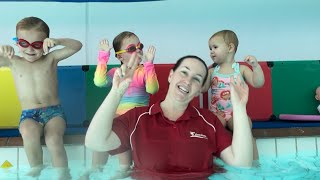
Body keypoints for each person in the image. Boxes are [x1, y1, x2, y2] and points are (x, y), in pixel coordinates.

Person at [85, 53, 253, 180]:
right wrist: (117, 92)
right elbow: (95, 142)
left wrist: (239, 108)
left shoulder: (209, 121)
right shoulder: (138, 117)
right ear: (171, 75)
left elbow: (242, 162)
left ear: (199, 89)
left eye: (196, 79)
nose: (188, 81)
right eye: (184, 73)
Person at [0, 16, 82, 178]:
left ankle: (63, 174)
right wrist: (2, 50)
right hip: (29, 114)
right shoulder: (12, 61)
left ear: (45, 44)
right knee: (27, 133)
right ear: (17, 43)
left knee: (53, 139)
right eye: (24, 44)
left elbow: (77, 46)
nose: (30, 49)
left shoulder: (51, 58)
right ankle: (37, 168)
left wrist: (57, 41)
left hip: (54, 113)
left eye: (37, 45)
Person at [89, 31, 159, 178]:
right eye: (132, 48)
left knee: (116, 126)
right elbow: (99, 82)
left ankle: (124, 167)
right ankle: (96, 168)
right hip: (121, 118)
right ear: (120, 56)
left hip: (139, 118)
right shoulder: (116, 72)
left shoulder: (143, 71)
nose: (139, 50)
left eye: (140, 46)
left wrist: (149, 64)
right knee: (103, 128)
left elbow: (152, 89)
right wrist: (103, 57)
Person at [202, 30, 265, 160]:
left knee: (245, 130)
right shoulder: (212, 71)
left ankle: (254, 163)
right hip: (216, 113)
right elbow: (203, 89)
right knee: (211, 128)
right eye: (210, 48)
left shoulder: (241, 69)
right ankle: (211, 162)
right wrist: (199, 75)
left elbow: (258, 83)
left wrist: (256, 66)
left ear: (230, 48)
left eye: (215, 47)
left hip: (236, 113)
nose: (211, 51)